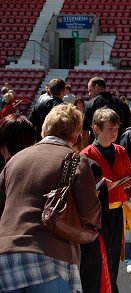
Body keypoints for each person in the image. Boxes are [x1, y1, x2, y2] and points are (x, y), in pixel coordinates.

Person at [0, 104, 101, 293]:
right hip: (51, 254)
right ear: (76, 134)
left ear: (44, 130)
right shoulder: (75, 160)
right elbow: (91, 216)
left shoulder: (14, 160)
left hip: (6, 255)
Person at [81, 108, 131, 293]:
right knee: (100, 257)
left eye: (116, 128)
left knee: (113, 256)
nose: (115, 132)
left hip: (118, 210)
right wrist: (102, 186)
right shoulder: (86, 154)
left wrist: (129, 181)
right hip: (99, 213)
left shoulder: (121, 151)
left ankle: (111, 287)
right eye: (110, 128)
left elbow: (130, 175)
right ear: (96, 129)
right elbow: (82, 188)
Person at [82, 77, 131, 147]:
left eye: (90, 90)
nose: (89, 94)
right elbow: (128, 126)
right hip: (118, 148)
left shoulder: (90, 104)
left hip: (96, 150)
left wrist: (85, 150)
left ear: (96, 87)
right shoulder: (122, 103)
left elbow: (85, 131)